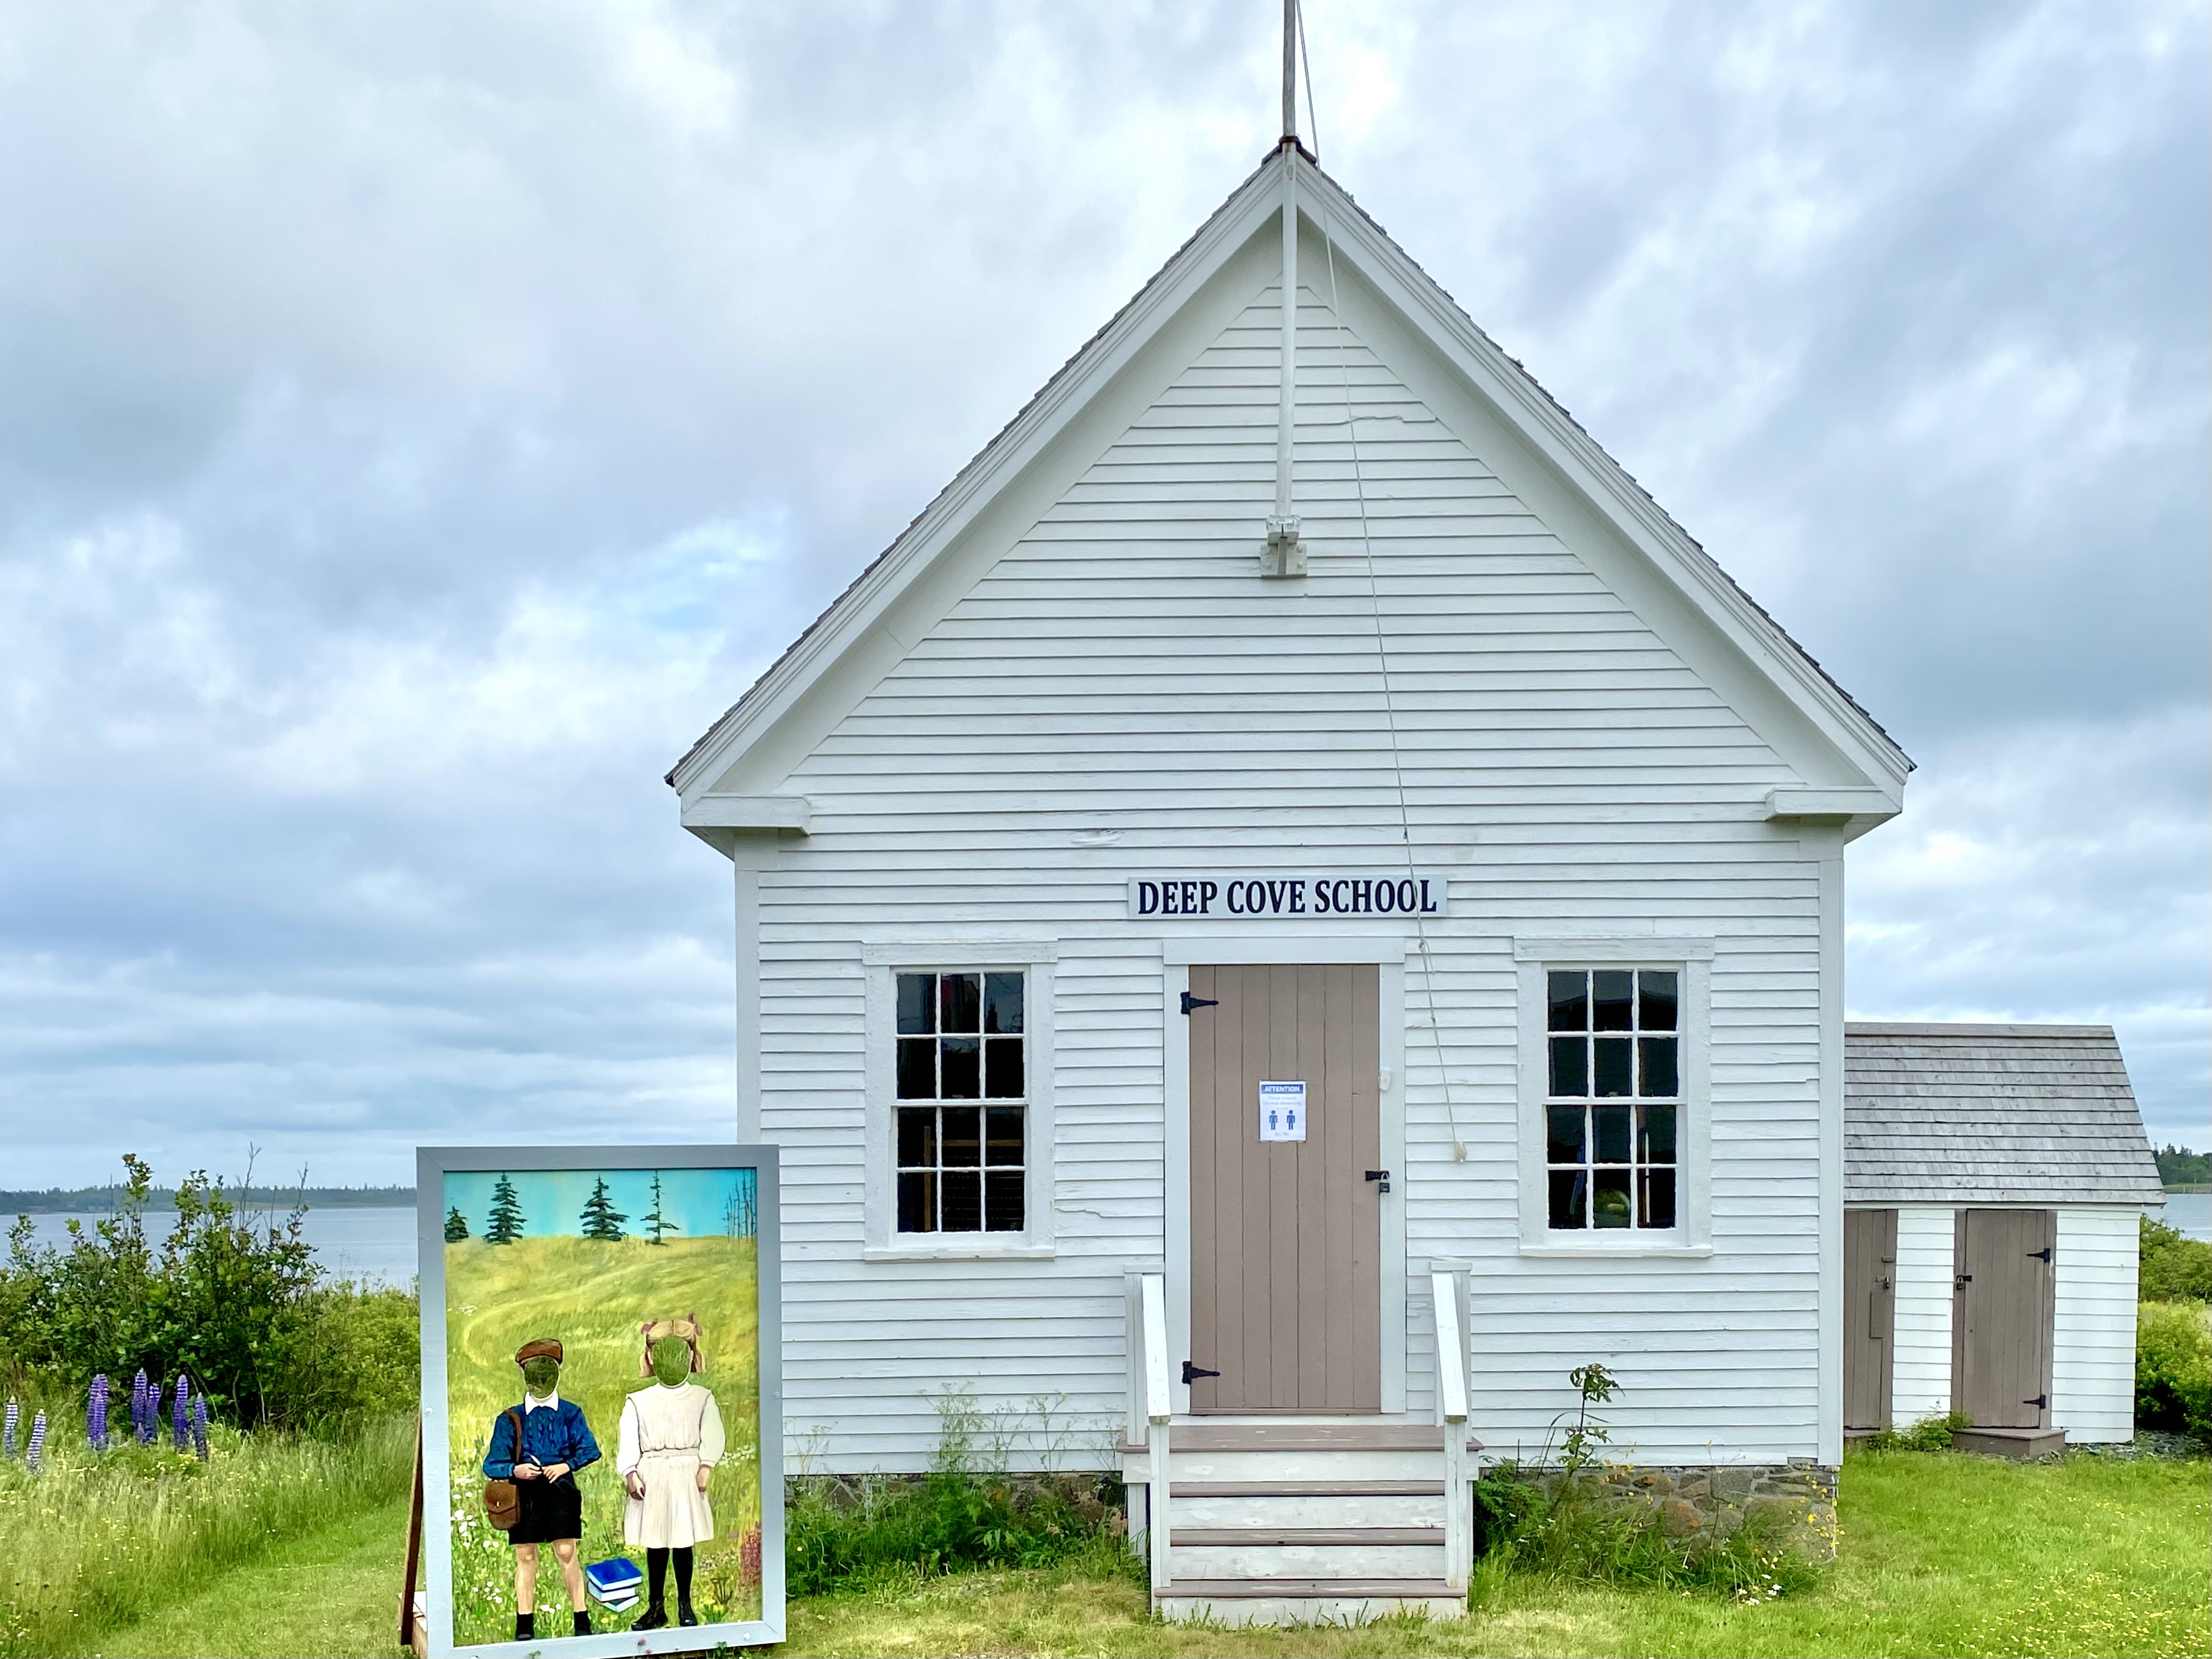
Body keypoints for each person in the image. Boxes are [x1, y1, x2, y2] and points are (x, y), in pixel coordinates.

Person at [482, 1337, 601, 1642]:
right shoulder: (511, 1418)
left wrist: (565, 1466)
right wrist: (515, 1470)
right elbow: (492, 1464)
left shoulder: (571, 1413)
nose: (541, 1381)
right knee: (526, 1556)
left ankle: (581, 1617)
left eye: (547, 1374)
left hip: (561, 1488)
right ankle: (525, 1622)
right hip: (525, 1495)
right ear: (526, 1378)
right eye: (535, 1375)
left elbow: (590, 1449)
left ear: (556, 1375)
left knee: (566, 1550)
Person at [615, 1314, 724, 1629]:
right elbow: (629, 1438)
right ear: (651, 1357)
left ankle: (685, 1604)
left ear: (690, 1356)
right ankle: (656, 1606)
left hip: (686, 1473)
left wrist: (706, 1465)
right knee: (656, 1542)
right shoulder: (638, 1401)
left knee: (682, 1541)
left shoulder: (702, 1398)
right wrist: (630, 1472)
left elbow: (713, 1433)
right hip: (653, 1474)